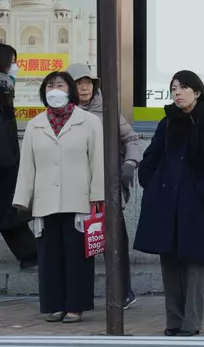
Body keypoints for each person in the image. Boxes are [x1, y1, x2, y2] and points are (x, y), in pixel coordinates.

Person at [134, 70, 204, 337]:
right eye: (174, 88)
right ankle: (173, 322)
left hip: (197, 206)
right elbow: (151, 157)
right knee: (170, 265)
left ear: (197, 92)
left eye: (183, 87)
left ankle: (191, 323)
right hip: (166, 204)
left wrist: (201, 192)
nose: (177, 92)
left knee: (193, 266)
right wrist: (152, 184)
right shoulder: (167, 123)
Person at [12, 71, 104, 323]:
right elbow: (27, 165)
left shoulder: (88, 121)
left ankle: (76, 305)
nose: (55, 89)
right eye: (50, 85)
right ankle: (54, 305)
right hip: (45, 199)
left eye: (60, 84)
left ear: (70, 90)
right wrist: (22, 197)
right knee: (49, 255)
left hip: (79, 198)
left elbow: (97, 160)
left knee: (77, 255)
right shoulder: (35, 124)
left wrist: (98, 194)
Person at [66, 63, 141, 309]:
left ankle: (123, 291)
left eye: (88, 82)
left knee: (114, 239)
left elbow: (130, 138)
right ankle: (77, 298)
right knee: (77, 243)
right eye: (78, 83)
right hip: (74, 188)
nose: (85, 87)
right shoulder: (63, 113)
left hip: (107, 186)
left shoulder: (108, 110)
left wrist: (130, 163)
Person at [0, 43, 37, 269]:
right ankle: (31, 255)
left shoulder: (5, 86)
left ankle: (31, 255)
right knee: (8, 211)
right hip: (4, 161)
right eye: (12, 61)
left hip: (7, 159)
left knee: (9, 212)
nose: (16, 66)